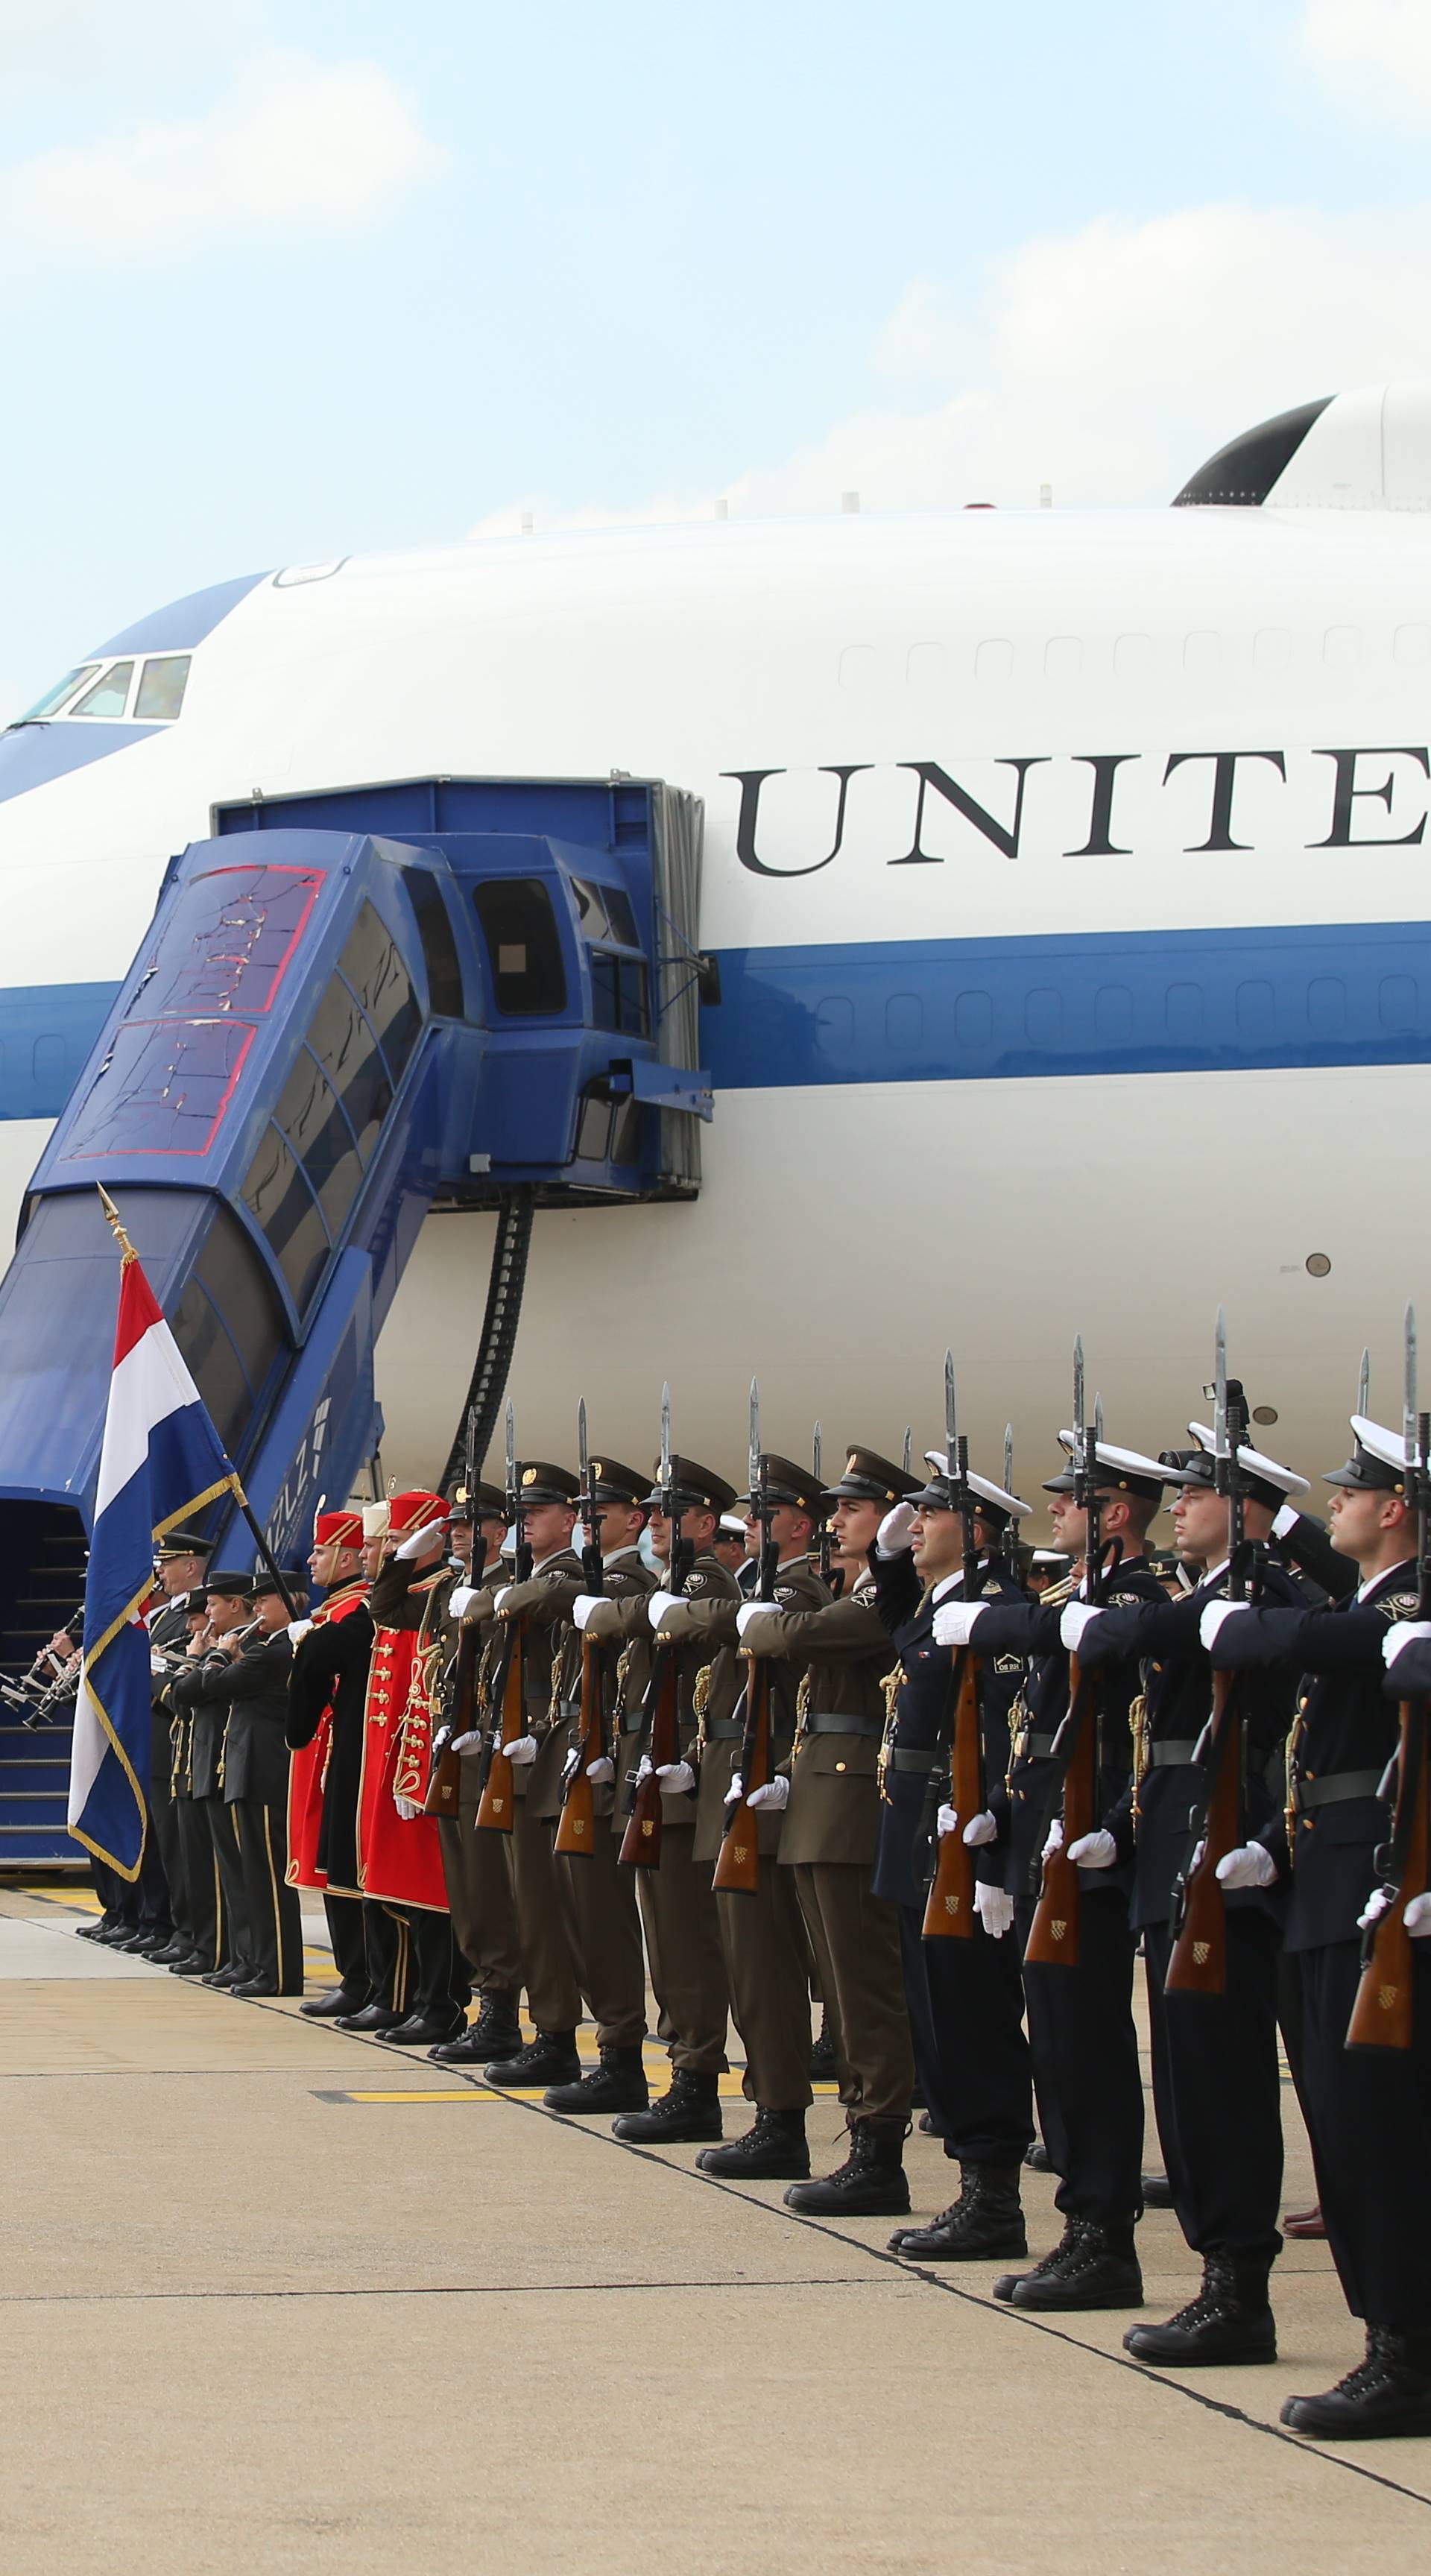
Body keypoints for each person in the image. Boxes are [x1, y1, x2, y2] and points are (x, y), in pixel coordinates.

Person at [1201, 1415, 1431, 2438]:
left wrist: (1268, 1627)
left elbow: (1350, 1645)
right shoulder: (1376, 1602)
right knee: (1344, 2129)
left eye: (1352, 1491)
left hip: (1380, 1893)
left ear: (1396, 1510)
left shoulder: (1410, 1608)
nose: (1331, 1503)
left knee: (1381, 2132)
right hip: (1328, 1888)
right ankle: (1392, 2338)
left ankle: (1408, 2354)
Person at [935, 1433, 1171, 2303]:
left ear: (1112, 1514)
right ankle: (1082, 2226)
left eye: (1071, 1501)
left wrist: (1110, 1827)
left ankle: (1104, 2238)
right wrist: (1000, 1826)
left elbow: (1147, 1738)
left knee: (1088, 2048)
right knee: (1062, 2049)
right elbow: (1039, 1739)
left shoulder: (1140, 1600)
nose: (1057, 1512)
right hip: (1046, 1845)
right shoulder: (1074, 1600)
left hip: (1095, 1855)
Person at [736, 1444, 917, 2212]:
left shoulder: (887, 1593)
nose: (835, 1520)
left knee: (862, 1984)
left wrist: (764, 1619)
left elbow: (810, 1637)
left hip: (850, 1800)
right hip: (819, 1790)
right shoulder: (858, 1584)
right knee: (842, 1983)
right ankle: (860, 2135)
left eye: (853, 1508)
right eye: (836, 1508)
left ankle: (879, 2149)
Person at [874, 1453, 1034, 2263]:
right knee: (935, 2020)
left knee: (972, 2020)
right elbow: (903, 1636)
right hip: (917, 1832)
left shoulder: (995, 1610)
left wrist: (996, 1823)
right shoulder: (946, 1602)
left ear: (975, 1532)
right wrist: (887, 1559)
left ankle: (993, 2199)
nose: (916, 1526)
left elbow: (1014, 1733)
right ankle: (975, 2186)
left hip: (965, 1842)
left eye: (931, 1516)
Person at [669, 1454, 831, 2182]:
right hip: (736, 1785)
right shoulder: (761, 1590)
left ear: (800, 1525)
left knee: (765, 1965)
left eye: (766, 1517)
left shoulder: (798, 1588)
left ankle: (780, 2117)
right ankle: (768, 2110)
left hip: (767, 1796)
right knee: (745, 1959)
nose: (752, 1527)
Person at [583, 1456, 739, 2144]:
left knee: (684, 1936)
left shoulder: (702, 1578)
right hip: (653, 1777)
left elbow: (675, 1626)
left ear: (705, 1523)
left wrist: (629, 1609)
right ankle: (683, 2070)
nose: (657, 1525)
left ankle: (697, 2078)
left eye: (673, 1515)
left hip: (681, 1785)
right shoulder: (673, 1584)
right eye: (654, 1514)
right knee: (666, 1936)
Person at [467, 1465, 586, 2087]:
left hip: (543, 1750)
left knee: (541, 1904)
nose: (527, 1519)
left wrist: (495, 1597)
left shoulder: (569, 1574)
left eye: (541, 1510)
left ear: (570, 1519)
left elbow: (538, 1603)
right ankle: (535, 2025)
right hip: (515, 1747)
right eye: (523, 1511)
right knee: (513, 1898)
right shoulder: (525, 1576)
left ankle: (557, 2033)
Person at [545, 1454, 657, 2113]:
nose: (589, 1523)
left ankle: (623, 2056)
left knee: (607, 1917)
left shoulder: (631, 1579)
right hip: (584, 1754)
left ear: (632, 1520)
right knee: (580, 1911)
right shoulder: (598, 1578)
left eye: (600, 1514)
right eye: (583, 1514)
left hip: (614, 1760)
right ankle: (610, 2050)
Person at [357, 1491, 467, 2046]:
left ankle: (441, 2004)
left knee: (438, 1893)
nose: (385, 1550)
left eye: (397, 1541)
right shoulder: (427, 1592)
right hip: (410, 1756)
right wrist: (402, 1561)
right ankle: (415, 1999)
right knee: (410, 1891)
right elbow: (383, 1606)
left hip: (438, 1757)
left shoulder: (449, 1591)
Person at [426, 1483, 527, 2068]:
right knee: (466, 1887)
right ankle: (491, 2007)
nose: (460, 1531)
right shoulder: (454, 1584)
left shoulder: (507, 1583)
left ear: (501, 1528)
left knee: (492, 1889)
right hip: (457, 1749)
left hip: (492, 1749)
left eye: (475, 1522)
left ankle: (503, 2014)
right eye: (456, 1524)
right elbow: (391, 1606)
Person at [212, 1573, 307, 1995]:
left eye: (264, 1602)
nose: (257, 1611)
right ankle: (259, 1964)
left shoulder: (279, 1650)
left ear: (288, 1604)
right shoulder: (266, 1649)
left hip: (267, 1771)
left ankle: (279, 1971)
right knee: (254, 1874)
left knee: (270, 1878)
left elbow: (212, 1685)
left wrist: (219, 1656)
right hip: (251, 1771)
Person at [171, 1573, 257, 1988]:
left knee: (236, 1875)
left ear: (236, 1606)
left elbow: (189, 1691)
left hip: (230, 1767)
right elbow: (184, 1691)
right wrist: (198, 1660)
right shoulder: (219, 1647)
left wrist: (201, 1660)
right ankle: (221, 1951)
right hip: (205, 1765)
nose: (206, 1615)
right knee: (210, 1868)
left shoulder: (246, 1645)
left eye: (214, 1606)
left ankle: (235, 1952)